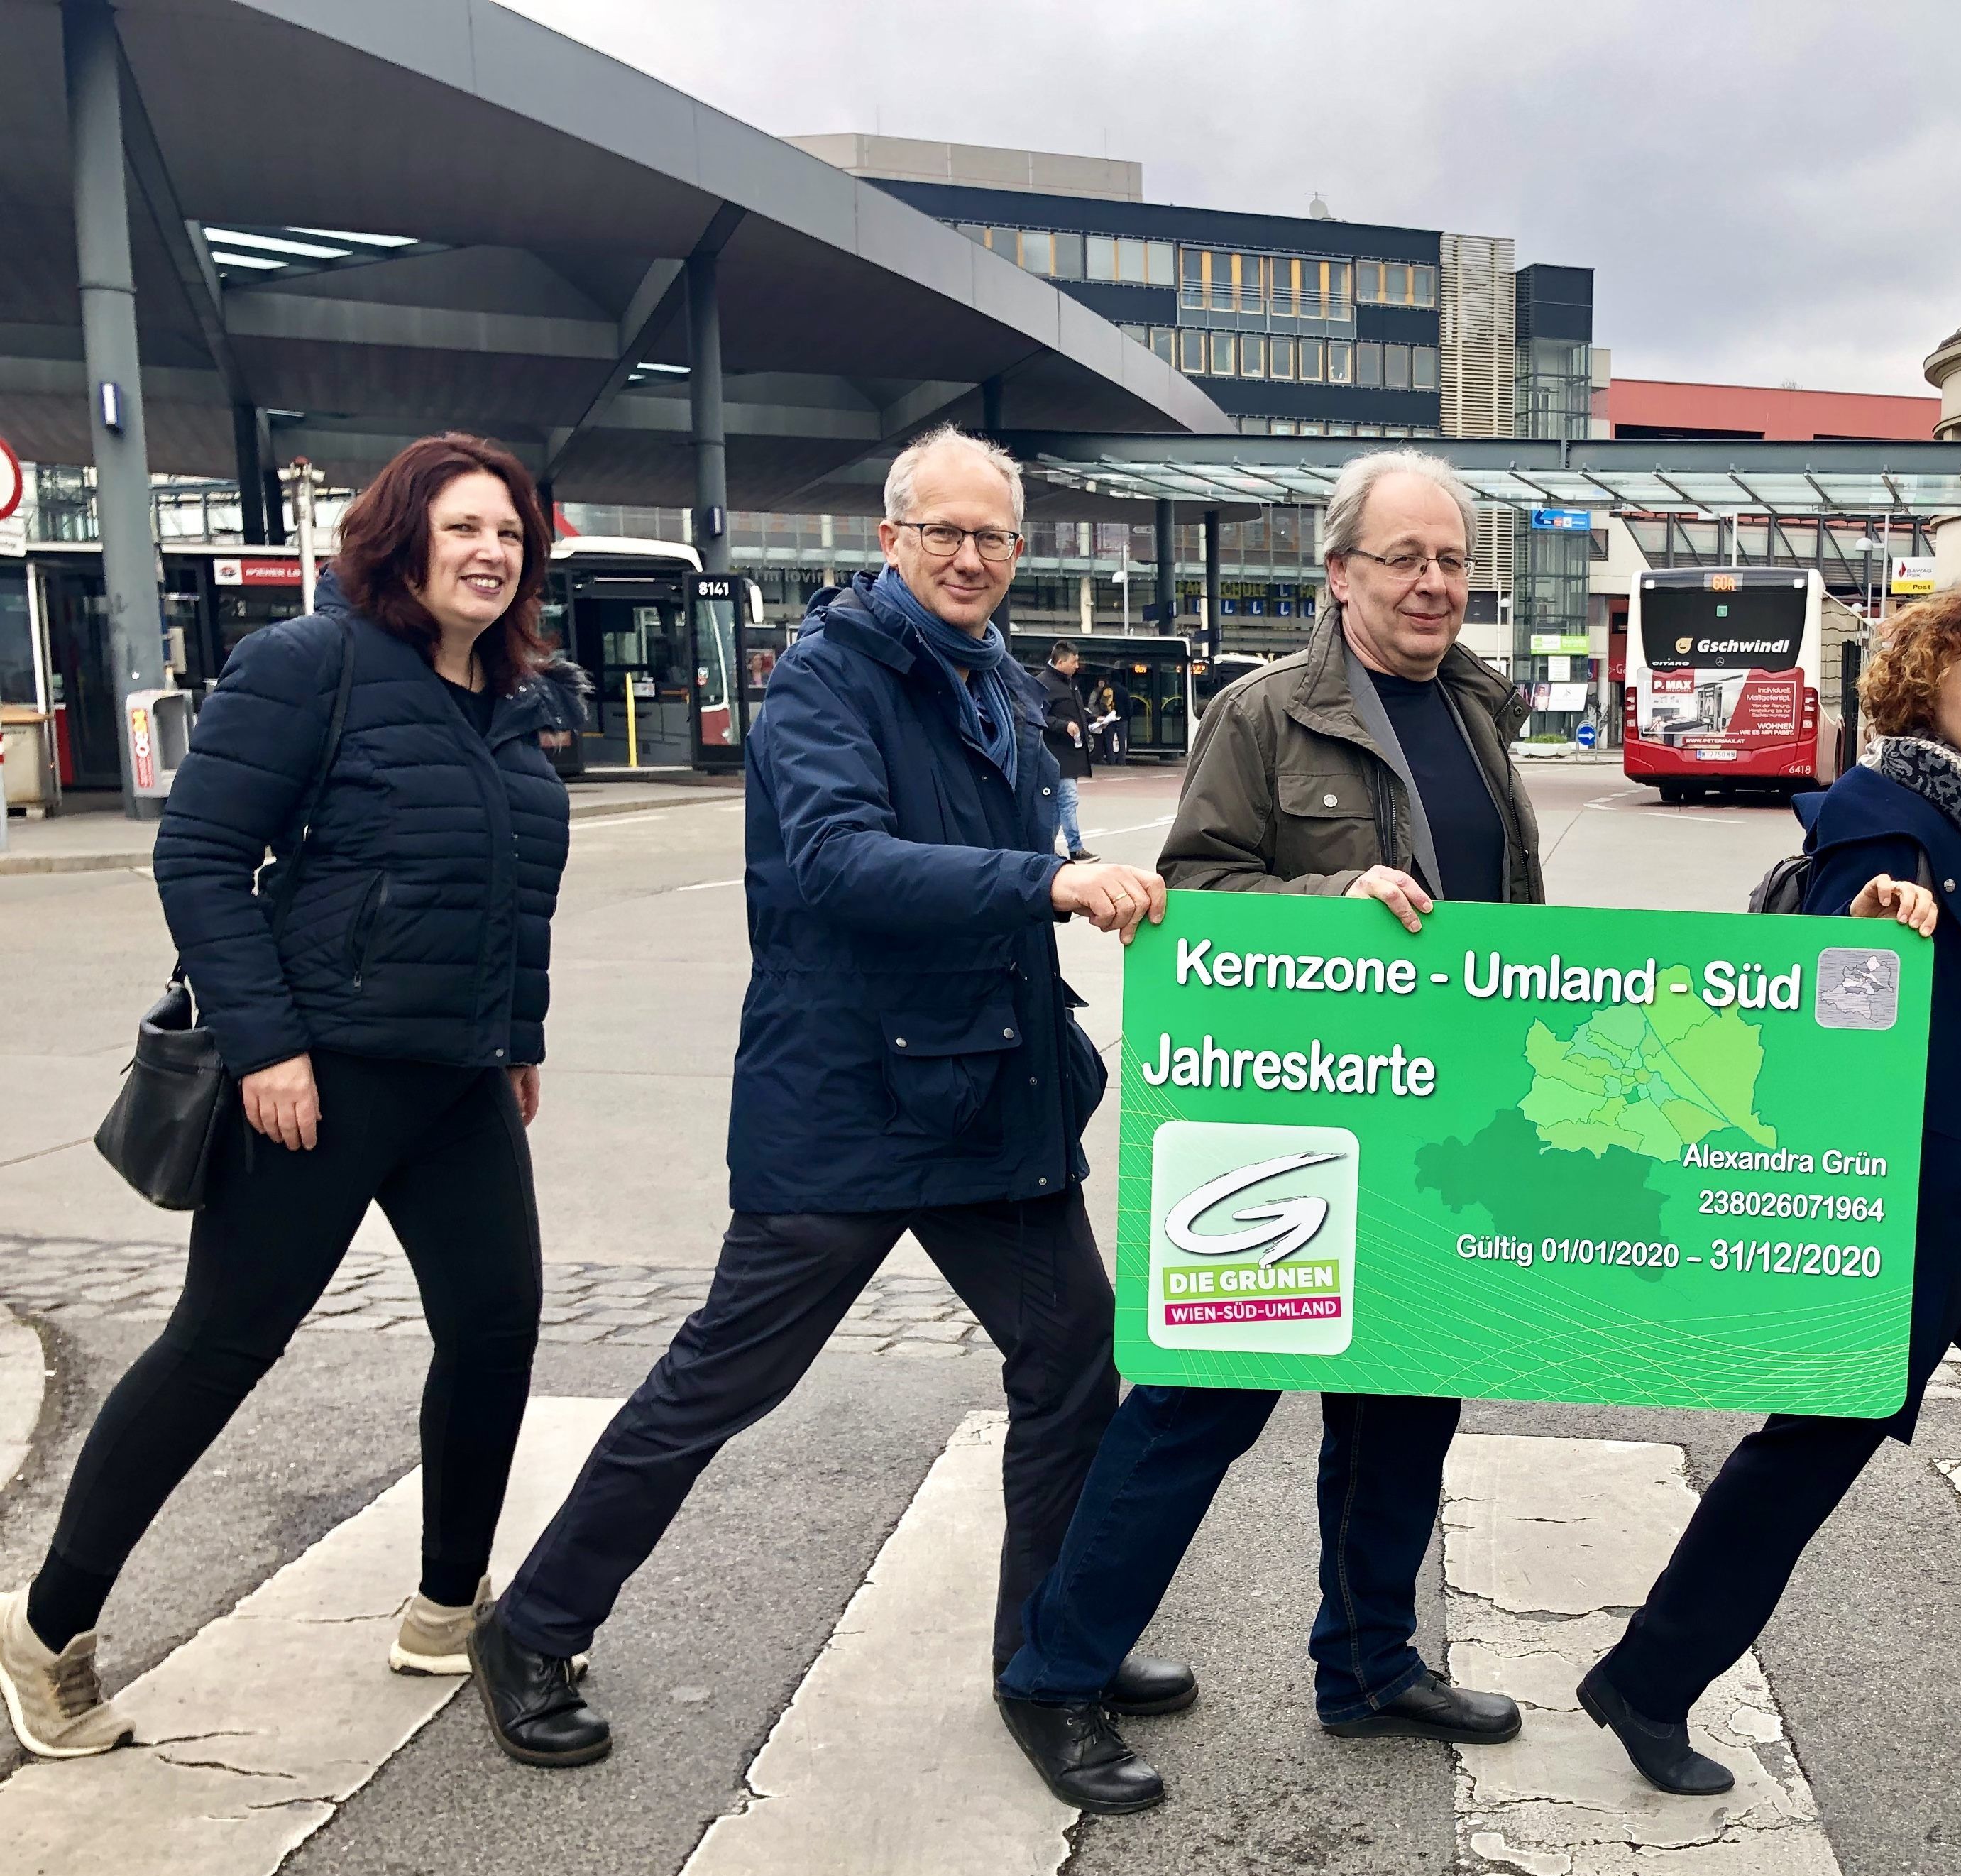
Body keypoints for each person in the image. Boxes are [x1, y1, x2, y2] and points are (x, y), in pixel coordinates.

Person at [466, 426, 1177, 1768]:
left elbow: (1029, 846)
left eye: (994, 538)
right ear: (891, 539)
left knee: (1074, 1358)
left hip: (988, 1092)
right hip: (848, 1094)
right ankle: (534, 1621)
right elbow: (843, 863)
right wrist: (1044, 884)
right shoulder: (825, 680)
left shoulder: (997, 683)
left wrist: (1074, 869)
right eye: (944, 533)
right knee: (724, 1378)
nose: (971, 558)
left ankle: (1048, 1653)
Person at [1, 433, 576, 1759]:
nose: (491, 551)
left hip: (458, 1078)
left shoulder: (507, 696)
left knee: (495, 1326)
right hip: (316, 1076)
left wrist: (517, 1032)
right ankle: (47, 1627)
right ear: (402, 538)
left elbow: (504, 895)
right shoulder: (310, 665)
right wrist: (266, 1048)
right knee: (223, 1341)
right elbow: (203, 856)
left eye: (510, 534)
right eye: (463, 527)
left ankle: (446, 1603)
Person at [994, 448, 1544, 1814]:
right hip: (1282, 1117)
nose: (1432, 583)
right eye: (1404, 558)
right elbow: (1190, 885)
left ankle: (1367, 1665)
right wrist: (1329, 891)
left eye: (1451, 560)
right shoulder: (1264, 713)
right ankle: (1056, 1671)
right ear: (1340, 572)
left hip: (1437, 1122)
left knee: (1408, 1400)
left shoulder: (1478, 709)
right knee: (1198, 1406)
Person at [1576, 575, 1961, 1795]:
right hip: (1912, 1208)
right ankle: (1647, 1675)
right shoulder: (1883, 821)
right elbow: (1836, 946)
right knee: (1814, 1444)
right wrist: (1878, 915)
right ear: (1922, 688)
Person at [1038, 640, 1097, 859]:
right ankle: (1075, 847)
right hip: (1056, 753)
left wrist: (1092, 721)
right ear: (1060, 661)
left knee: (1058, 805)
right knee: (1068, 799)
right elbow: (1038, 716)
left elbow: (1076, 711)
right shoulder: (1043, 684)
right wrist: (1065, 726)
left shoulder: (1069, 683)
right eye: (1074, 661)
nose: (1077, 665)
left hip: (1070, 754)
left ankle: (1044, 845)